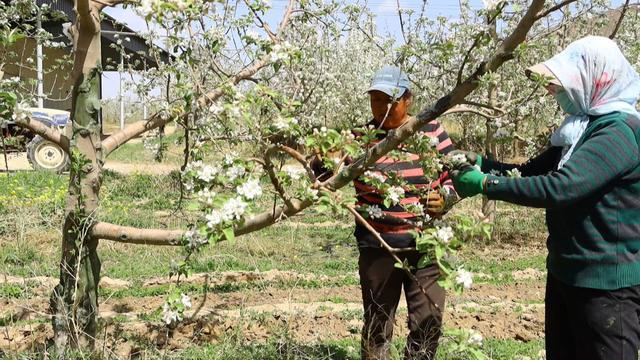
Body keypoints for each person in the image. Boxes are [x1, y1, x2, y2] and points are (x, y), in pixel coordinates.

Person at [450, 36, 640, 359]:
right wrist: (482, 164)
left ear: (597, 80)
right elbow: (527, 173)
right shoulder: (578, 131)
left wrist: (485, 185)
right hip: (567, 276)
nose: (554, 92)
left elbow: (559, 187)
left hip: (607, 289)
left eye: (564, 84)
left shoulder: (619, 132)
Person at [351, 65, 456, 360]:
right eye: (375, 99)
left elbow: (456, 175)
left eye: (389, 100)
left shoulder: (431, 130)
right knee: (377, 324)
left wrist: (445, 198)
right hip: (378, 245)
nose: (381, 107)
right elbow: (325, 176)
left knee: (427, 323)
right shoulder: (360, 137)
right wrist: (322, 161)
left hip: (425, 246)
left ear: (408, 99)